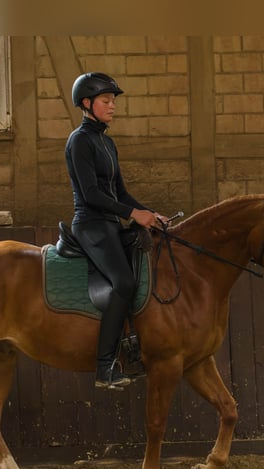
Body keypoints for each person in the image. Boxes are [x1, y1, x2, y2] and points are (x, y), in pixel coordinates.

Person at [65, 72, 165, 390]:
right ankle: (105, 365)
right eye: (106, 101)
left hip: (110, 224)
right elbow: (92, 194)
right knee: (124, 281)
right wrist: (132, 214)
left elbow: (120, 193)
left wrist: (148, 214)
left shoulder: (106, 143)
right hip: (90, 225)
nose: (113, 107)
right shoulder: (79, 141)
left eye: (113, 102)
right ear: (86, 103)